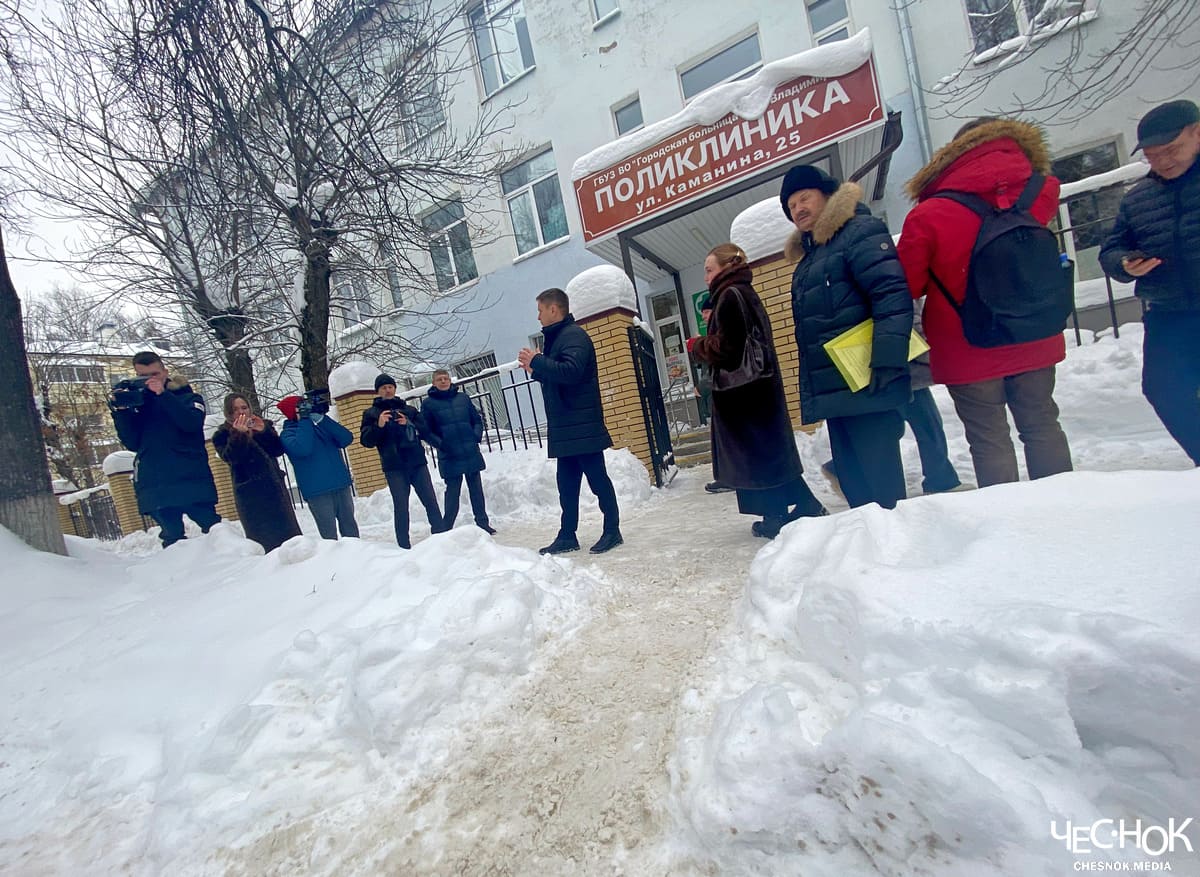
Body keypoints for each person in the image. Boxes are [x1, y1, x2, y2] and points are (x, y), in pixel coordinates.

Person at [898, 117, 1074, 487]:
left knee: (988, 439)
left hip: (966, 342)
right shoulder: (1041, 191)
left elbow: (907, 284)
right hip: (1034, 332)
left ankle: (1008, 526)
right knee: (1042, 424)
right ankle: (1066, 518)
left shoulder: (928, 215)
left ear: (952, 155)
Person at [782, 164, 914, 510]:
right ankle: (873, 557)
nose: (798, 209)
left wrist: (887, 357)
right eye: (792, 206)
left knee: (883, 491)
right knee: (857, 489)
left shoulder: (859, 232)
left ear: (827, 195)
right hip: (837, 390)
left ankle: (898, 556)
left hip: (869, 379)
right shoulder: (810, 260)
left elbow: (891, 293)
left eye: (804, 198)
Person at [687, 243, 827, 538]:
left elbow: (729, 347)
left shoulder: (730, 296)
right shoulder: (740, 291)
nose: (706, 277)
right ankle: (806, 503)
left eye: (709, 269)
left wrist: (698, 344)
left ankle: (774, 516)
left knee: (758, 456)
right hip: (757, 392)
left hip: (745, 395)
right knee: (769, 453)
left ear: (726, 267)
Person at [1099, 99, 1200, 465]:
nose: (1163, 162)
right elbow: (1112, 247)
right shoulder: (1139, 197)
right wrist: (1125, 263)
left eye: (1171, 150)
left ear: (1197, 132)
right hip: (1169, 311)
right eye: (1153, 156)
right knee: (1164, 389)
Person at [517, 288, 623, 555]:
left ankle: (613, 530)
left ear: (554, 309)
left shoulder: (573, 335)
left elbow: (572, 372)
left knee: (598, 481)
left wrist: (538, 361)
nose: (538, 316)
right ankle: (567, 535)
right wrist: (535, 369)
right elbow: (559, 378)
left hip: (582, 426)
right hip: (567, 427)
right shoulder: (557, 338)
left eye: (540, 310)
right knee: (566, 486)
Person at [109, 351, 220, 547]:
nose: (150, 381)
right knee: (172, 537)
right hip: (155, 485)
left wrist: (163, 395)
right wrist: (122, 413)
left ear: (165, 372)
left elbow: (191, 423)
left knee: (215, 530)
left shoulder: (188, 397)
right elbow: (133, 443)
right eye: (143, 376)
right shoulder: (139, 406)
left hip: (191, 478)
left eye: (154, 375)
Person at [359, 373, 447, 549]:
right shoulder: (371, 414)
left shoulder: (409, 410)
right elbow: (366, 441)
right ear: (377, 391)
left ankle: (441, 537)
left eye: (390, 387)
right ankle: (403, 546)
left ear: (395, 388)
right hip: (394, 467)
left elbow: (424, 430)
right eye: (384, 388)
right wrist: (379, 425)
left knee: (430, 500)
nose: (388, 390)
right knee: (401, 506)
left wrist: (408, 423)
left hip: (416, 462)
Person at [211, 393, 302, 552]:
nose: (241, 412)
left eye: (244, 407)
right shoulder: (222, 434)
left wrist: (264, 431)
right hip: (250, 495)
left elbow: (277, 450)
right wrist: (239, 435)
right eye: (235, 409)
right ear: (228, 413)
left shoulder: (262, 424)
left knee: (290, 540)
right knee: (264, 542)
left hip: (274, 491)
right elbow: (232, 458)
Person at [422, 369, 496, 535]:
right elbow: (426, 431)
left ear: (450, 380)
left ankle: (483, 523)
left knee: (476, 489)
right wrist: (441, 444)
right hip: (449, 454)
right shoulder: (428, 404)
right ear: (434, 383)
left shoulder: (463, 398)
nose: (443, 381)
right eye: (439, 379)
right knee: (453, 492)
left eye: (446, 378)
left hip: (470, 450)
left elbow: (477, 420)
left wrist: (475, 436)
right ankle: (446, 527)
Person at [278, 393, 359, 540]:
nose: (306, 408)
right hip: (318, 492)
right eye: (301, 406)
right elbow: (303, 448)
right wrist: (304, 421)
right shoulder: (287, 435)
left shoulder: (320, 426)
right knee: (329, 537)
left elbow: (346, 438)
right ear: (292, 412)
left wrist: (323, 419)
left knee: (351, 531)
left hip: (340, 485)